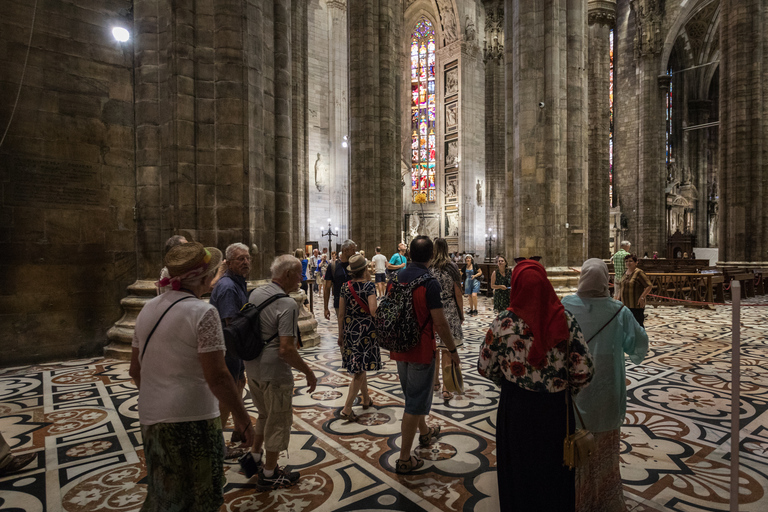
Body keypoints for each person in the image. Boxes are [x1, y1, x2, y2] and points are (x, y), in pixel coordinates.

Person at [130, 242, 255, 511]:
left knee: (164, 495)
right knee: (204, 496)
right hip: (193, 418)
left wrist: (159, 395)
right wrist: (243, 421)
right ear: (203, 278)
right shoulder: (203, 312)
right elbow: (219, 377)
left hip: (151, 417)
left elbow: (134, 370)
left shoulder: (147, 309)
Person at [478, 259, 594, 511]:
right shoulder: (566, 319)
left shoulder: (503, 323)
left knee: (518, 472)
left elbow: (485, 366)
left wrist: (509, 382)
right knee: (555, 473)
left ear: (516, 284)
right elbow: (584, 371)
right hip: (556, 410)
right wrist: (564, 389)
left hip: (516, 408)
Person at [561, 258, 649, 512]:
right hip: (607, 392)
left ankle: (576, 499)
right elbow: (639, 345)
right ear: (605, 280)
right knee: (604, 452)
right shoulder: (619, 311)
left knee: (574, 446)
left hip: (574, 391)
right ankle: (603, 499)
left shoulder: (566, 306)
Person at [240, 255, 318, 490]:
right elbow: (286, 349)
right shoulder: (287, 304)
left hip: (252, 367)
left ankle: (254, 458)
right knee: (278, 421)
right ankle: (270, 473)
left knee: (264, 414)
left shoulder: (256, 293)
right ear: (286, 275)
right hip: (274, 373)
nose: (301, 278)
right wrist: (308, 372)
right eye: (298, 273)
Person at [390, 236, 461, 474]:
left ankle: (425, 432)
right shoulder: (429, 282)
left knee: (413, 396)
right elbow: (440, 323)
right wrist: (452, 349)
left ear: (409, 254)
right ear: (431, 256)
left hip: (400, 346)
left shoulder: (397, 277)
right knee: (414, 403)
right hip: (421, 348)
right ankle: (404, 459)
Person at [209, 243, 251, 458]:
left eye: (247, 258)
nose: (245, 262)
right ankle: (217, 444)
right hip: (229, 349)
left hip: (235, 349)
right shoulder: (227, 287)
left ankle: (238, 429)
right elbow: (231, 324)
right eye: (240, 259)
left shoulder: (238, 282)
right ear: (228, 263)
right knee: (227, 395)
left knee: (239, 384)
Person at [337, 254, 382, 421]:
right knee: (359, 369)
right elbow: (372, 310)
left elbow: (341, 314)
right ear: (365, 269)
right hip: (366, 331)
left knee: (359, 366)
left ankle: (366, 398)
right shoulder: (369, 286)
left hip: (350, 330)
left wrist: (340, 334)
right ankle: (347, 408)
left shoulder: (344, 287)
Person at [429, 238, 464, 400]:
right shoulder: (452, 267)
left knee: (435, 349)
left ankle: (435, 382)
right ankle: (446, 387)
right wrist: (461, 312)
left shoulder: (429, 267)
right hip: (449, 310)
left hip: (433, 310)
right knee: (448, 350)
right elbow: (457, 292)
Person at [324, 239, 357, 319]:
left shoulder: (356, 265)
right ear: (345, 250)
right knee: (342, 327)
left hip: (355, 301)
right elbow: (327, 287)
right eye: (353, 250)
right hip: (339, 302)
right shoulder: (333, 266)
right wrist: (325, 308)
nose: (355, 253)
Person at [618, 254, 653, 327]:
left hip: (635, 304)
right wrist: (618, 299)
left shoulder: (639, 272)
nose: (628, 263)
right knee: (627, 325)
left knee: (637, 325)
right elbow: (621, 287)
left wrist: (642, 297)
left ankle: (640, 338)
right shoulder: (625, 272)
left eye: (630, 261)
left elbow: (649, 285)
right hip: (625, 304)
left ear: (636, 262)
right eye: (626, 261)